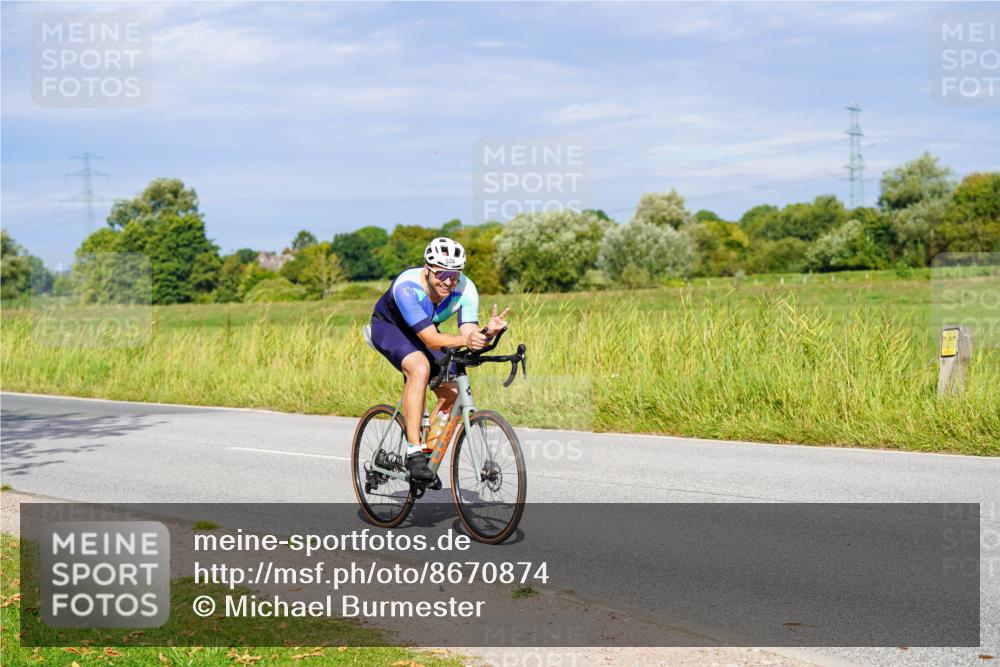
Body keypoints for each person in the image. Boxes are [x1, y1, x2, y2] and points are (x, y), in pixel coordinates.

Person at [370, 237, 509, 482]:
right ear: (427, 269)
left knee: (453, 392)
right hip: (390, 328)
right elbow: (431, 340)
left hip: (426, 330)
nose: (448, 281)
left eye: (454, 275)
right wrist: (466, 340)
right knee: (419, 368)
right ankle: (414, 452)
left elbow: (468, 334)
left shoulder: (465, 289)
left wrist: (486, 333)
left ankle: (427, 457)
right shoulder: (408, 287)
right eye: (442, 274)